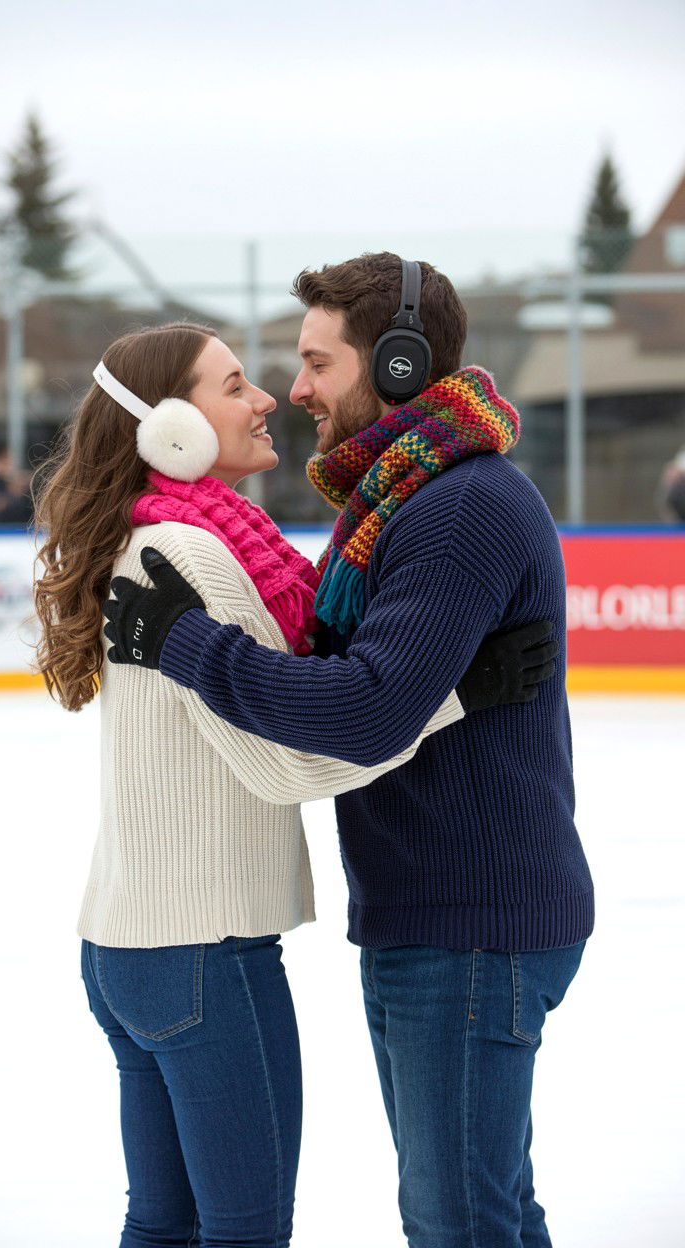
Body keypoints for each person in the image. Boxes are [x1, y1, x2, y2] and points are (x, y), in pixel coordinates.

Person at [102, 256, 594, 1248]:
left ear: (398, 364)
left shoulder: (453, 508)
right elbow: (357, 680)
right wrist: (456, 693)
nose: (295, 390)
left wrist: (189, 643)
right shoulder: (396, 501)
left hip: (471, 917)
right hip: (434, 910)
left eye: (318, 363)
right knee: (483, 1207)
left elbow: (365, 710)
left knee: (459, 1220)